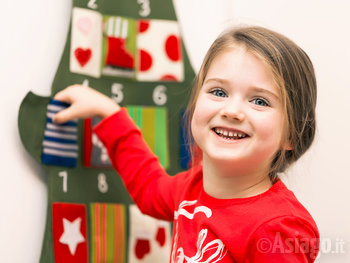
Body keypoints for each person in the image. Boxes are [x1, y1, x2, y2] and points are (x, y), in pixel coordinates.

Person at [53, 26, 319, 262]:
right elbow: (150, 189)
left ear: (292, 135)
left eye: (259, 101)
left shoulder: (277, 229)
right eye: (218, 92)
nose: (232, 110)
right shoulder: (192, 187)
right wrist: (109, 113)